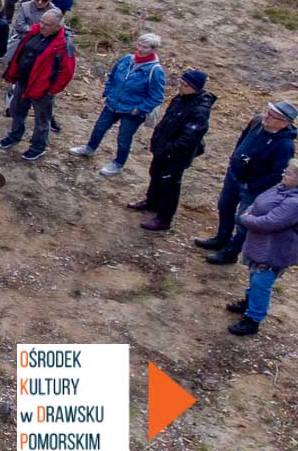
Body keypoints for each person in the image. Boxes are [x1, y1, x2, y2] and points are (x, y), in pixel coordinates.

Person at [196, 101, 296, 265]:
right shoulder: (257, 122)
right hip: (234, 176)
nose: (267, 117)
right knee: (224, 206)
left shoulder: (285, 145)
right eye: (268, 112)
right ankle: (221, 238)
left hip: (252, 187)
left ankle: (231, 252)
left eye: (272, 116)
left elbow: (277, 173)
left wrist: (252, 186)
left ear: (284, 122)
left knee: (243, 221)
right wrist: (233, 162)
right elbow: (241, 140)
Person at [127, 71, 215, 232]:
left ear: (195, 88)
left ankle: (164, 219)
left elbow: (190, 138)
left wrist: (170, 150)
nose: (180, 87)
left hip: (175, 156)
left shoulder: (199, 111)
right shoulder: (180, 98)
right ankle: (152, 201)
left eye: (185, 85)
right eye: (180, 83)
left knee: (170, 186)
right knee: (155, 174)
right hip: (162, 149)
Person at [70, 33, 168, 177]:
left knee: (124, 138)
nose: (140, 49)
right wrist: (108, 92)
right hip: (113, 103)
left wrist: (139, 109)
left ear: (153, 50)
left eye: (145, 47)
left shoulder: (155, 71)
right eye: (139, 45)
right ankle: (90, 148)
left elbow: (157, 97)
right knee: (99, 127)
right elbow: (112, 76)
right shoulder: (127, 59)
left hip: (132, 111)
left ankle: (118, 164)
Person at [227, 161, 298, 336]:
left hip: (275, 250)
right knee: (254, 276)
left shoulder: (294, 202)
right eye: (285, 170)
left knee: (261, 282)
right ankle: (250, 302)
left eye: (288, 173)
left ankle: (253, 319)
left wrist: (246, 219)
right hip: (261, 244)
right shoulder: (281, 188)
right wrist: (249, 212)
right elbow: (258, 201)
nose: (283, 175)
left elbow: (270, 222)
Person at [0, 8, 77, 162]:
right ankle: (14, 135)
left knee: (42, 120)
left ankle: (38, 147)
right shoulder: (34, 32)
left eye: (47, 24)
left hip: (42, 89)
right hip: (23, 81)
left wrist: (51, 90)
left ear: (57, 27)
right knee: (16, 110)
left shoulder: (63, 45)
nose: (42, 26)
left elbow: (67, 72)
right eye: (41, 22)